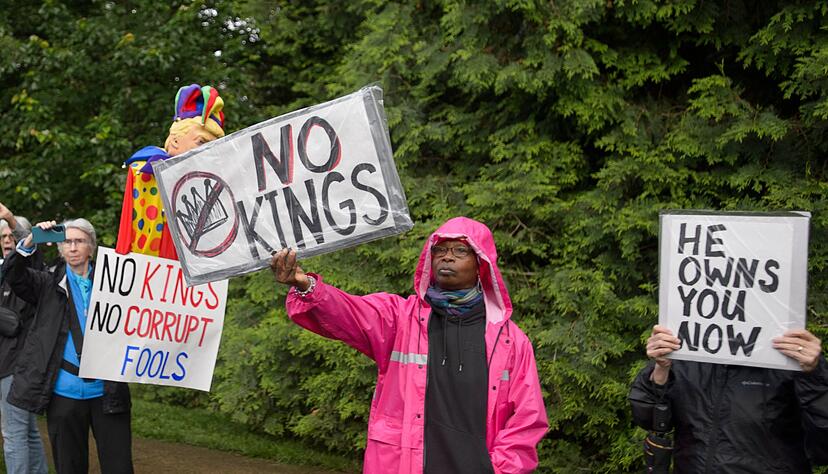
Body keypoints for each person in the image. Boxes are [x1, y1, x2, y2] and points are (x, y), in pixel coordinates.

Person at [270, 216, 548, 473]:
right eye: (440, 250)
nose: (447, 256)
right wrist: (305, 285)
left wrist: (496, 470)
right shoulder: (399, 318)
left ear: (481, 265)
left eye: (460, 251)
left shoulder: (511, 341)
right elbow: (348, 311)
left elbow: (527, 420)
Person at [3, 219, 133, 473]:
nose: (73, 247)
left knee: (119, 466)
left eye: (80, 241)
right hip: (64, 393)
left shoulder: (116, 282)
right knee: (69, 466)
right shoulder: (46, 283)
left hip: (108, 391)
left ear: (91, 247)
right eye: (67, 242)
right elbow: (13, 275)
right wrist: (31, 240)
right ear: (61, 249)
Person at [630, 324, 828, 473]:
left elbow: (824, 446)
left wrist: (814, 375)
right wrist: (661, 369)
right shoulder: (687, 351)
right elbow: (647, 418)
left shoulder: (792, 360)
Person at [116, 83, 226, 258]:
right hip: (146, 265)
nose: (207, 151)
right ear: (175, 141)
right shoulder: (142, 169)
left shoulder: (211, 182)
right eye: (202, 142)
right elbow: (128, 228)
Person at [0, 203, 49, 474]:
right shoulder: (3, 269)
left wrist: (10, 219)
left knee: (13, 433)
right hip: (7, 360)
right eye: (3, 237)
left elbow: (27, 252)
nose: (8, 241)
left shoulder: (28, 271)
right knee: (26, 431)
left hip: (16, 362)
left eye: (12, 236)